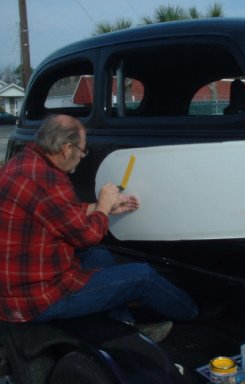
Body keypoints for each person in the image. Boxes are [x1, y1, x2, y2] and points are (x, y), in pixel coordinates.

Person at [0, 114, 198, 342]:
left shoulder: (23, 162)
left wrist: (101, 207)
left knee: (100, 257)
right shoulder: (50, 180)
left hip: (17, 286)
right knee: (141, 276)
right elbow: (87, 236)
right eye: (82, 151)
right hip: (36, 299)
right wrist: (103, 205)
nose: (82, 157)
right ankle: (193, 313)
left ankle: (124, 328)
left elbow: (56, 212)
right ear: (66, 149)